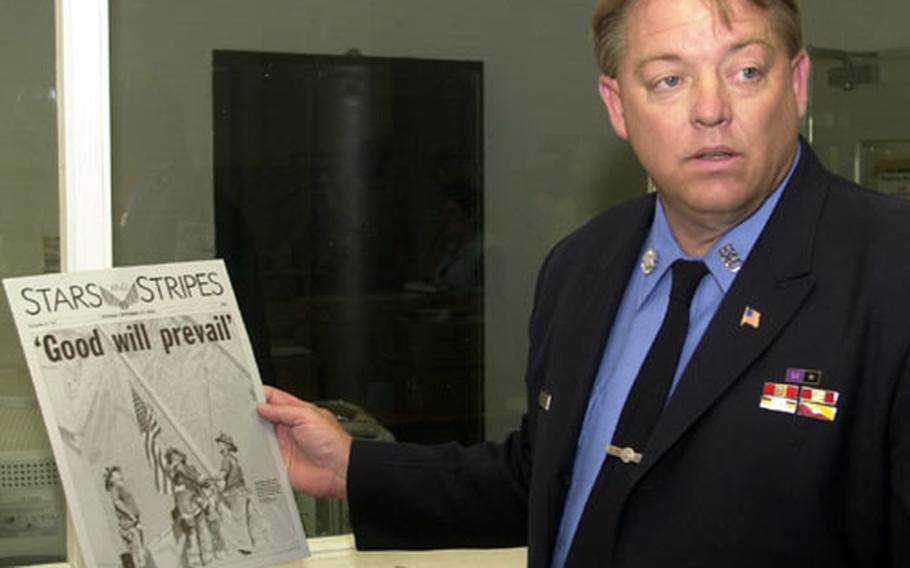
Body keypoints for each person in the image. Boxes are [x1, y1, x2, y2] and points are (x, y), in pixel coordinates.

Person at [257, 0, 910, 566]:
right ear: (617, 105)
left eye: (745, 71)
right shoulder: (582, 265)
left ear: (797, 84)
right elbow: (547, 480)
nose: (711, 109)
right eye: (668, 79)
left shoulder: (889, 272)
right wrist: (352, 466)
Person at [104, 466, 156, 568]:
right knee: (138, 553)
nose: (120, 475)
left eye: (119, 473)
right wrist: (130, 514)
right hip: (129, 524)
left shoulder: (121, 487)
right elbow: (117, 502)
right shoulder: (115, 488)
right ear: (111, 479)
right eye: (116, 474)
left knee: (141, 550)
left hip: (134, 522)